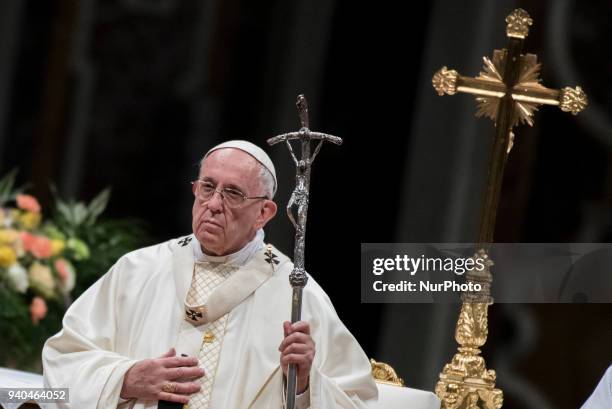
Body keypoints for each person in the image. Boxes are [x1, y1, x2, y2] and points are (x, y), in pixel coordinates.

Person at [42, 140, 377, 408]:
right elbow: (63, 361)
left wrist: (304, 385)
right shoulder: (138, 271)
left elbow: (356, 401)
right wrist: (126, 379)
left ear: (264, 212)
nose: (214, 204)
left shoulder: (297, 296)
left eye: (233, 193)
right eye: (207, 187)